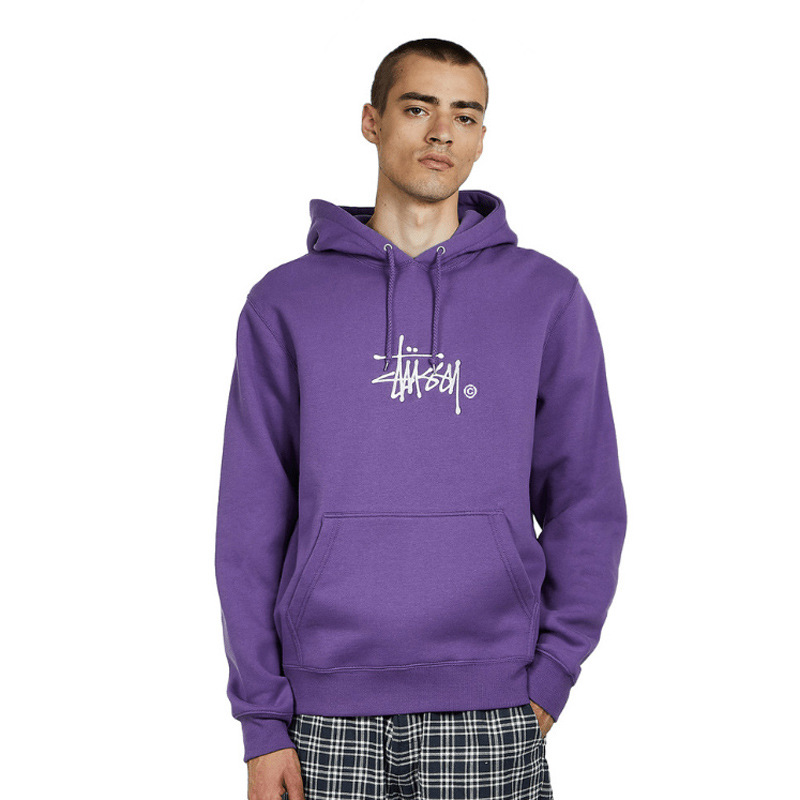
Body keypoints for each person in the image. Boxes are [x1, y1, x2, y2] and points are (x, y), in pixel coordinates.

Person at [214, 37, 627, 800]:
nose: (442, 132)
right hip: (322, 712)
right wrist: (262, 721)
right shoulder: (286, 303)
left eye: (465, 115)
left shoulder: (545, 298)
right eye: (418, 108)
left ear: (481, 137)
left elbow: (587, 501)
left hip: (493, 705)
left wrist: (551, 675)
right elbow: (249, 523)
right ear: (371, 122)